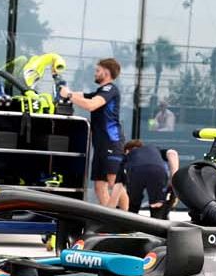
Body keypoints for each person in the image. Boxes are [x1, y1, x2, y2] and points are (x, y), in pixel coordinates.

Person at [60, 57, 126, 211]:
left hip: (111, 142)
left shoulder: (110, 89)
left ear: (107, 72)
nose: (95, 73)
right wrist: (66, 91)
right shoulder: (100, 91)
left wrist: (69, 95)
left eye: (98, 71)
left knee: (114, 183)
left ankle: (130, 220)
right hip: (101, 144)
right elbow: (83, 96)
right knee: (99, 186)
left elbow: (91, 105)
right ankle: (109, 221)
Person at [120, 138, 178, 218]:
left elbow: (118, 183)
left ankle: (130, 225)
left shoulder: (128, 155)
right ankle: (157, 226)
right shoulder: (154, 149)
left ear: (127, 151)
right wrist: (174, 178)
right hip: (157, 171)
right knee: (157, 205)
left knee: (132, 202)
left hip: (135, 171)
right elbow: (172, 153)